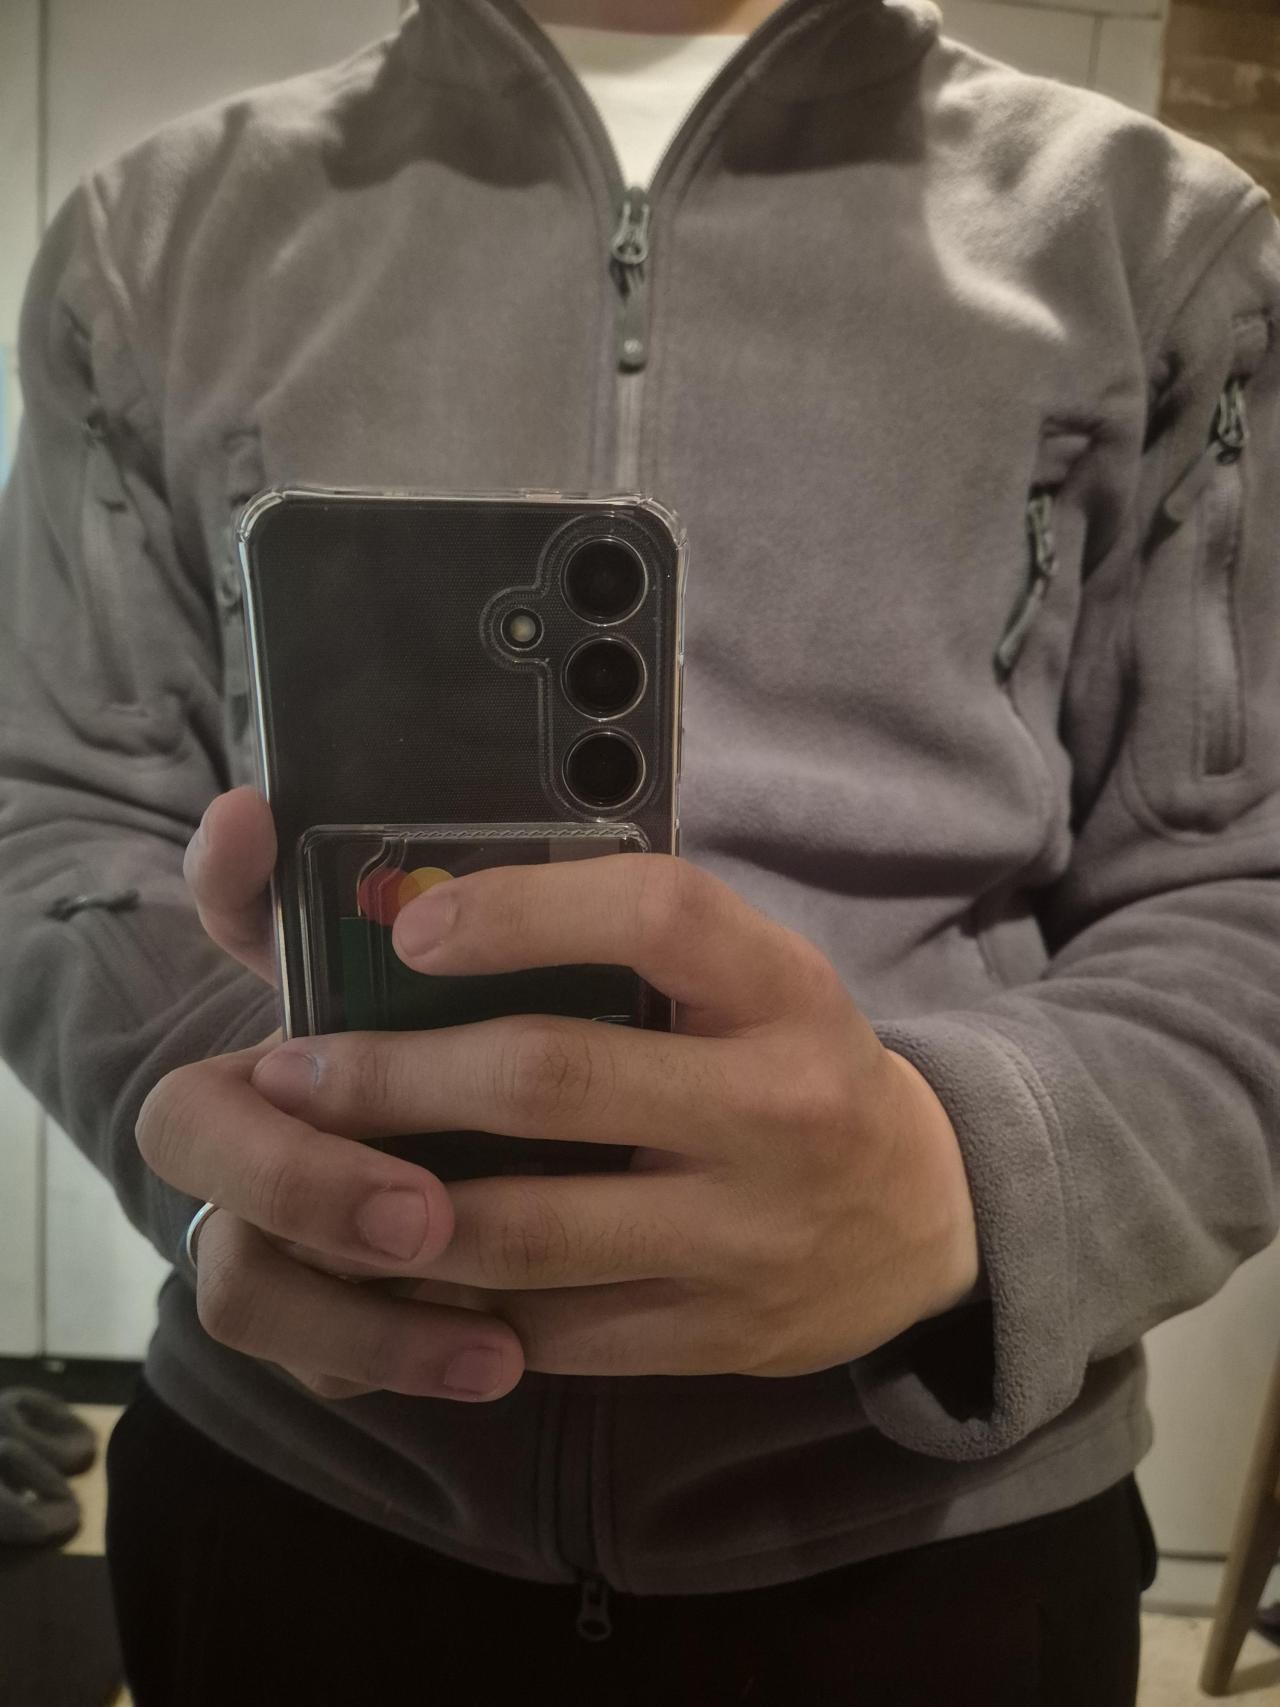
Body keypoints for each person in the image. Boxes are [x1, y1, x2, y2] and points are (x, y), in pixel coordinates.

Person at [0, 0, 1277, 1700]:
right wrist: (264, 1132)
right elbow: (53, 807)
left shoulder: (1158, 243)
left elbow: (1244, 885)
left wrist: (967, 1178)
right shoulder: (153, 235)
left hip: (933, 1539)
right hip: (299, 1501)